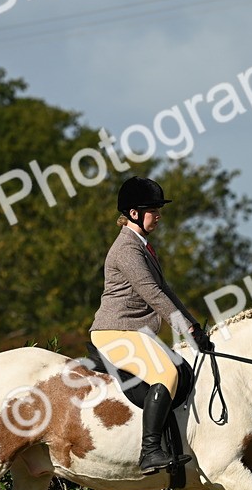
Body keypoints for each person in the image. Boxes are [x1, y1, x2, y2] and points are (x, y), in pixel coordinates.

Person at [89, 176, 213, 475]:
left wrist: (192, 326)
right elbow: (153, 294)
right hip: (116, 331)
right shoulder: (127, 249)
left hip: (133, 331)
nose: (158, 215)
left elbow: (165, 290)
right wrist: (186, 329)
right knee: (166, 373)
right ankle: (150, 451)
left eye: (158, 210)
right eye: (152, 210)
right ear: (134, 213)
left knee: (182, 370)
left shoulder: (142, 246)